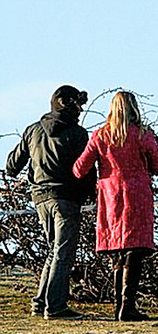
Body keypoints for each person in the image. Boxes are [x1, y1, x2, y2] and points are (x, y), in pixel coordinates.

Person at [73, 91, 158, 321]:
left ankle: (118, 306)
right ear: (134, 108)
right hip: (137, 194)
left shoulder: (100, 136)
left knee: (117, 249)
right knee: (134, 247)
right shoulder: (142, 135)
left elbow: (79, 169)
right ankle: (128, 305)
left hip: (110, 196)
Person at [6, 85, 96, 320]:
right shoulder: (77, 133)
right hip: (65, 199)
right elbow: (86, 171)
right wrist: (93, 197)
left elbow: (11, 166)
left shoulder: (32, 130)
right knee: (63, 253)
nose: (81, 108)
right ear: (70, 104)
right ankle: (55, 307)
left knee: (52, 251)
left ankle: (39, 303)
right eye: (79, 103)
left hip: (39, 198)